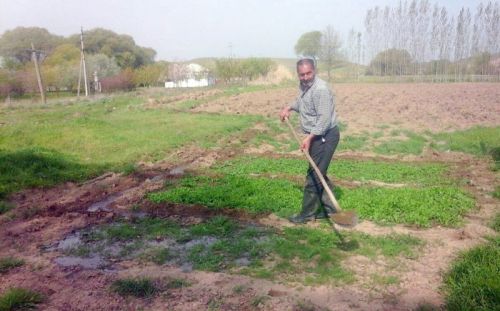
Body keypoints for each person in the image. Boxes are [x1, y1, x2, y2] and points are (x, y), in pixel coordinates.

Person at [279, 58, 340, 224]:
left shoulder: (320, 89)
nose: (305, 77)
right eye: (302, 74)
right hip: (317, 135)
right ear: (298, 74)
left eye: (308, 73)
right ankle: (332, 211)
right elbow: (302, 103)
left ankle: (306, 215)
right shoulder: (305, 86)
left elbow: (324, 120)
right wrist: (289, 108)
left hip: (325, 136)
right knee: (320, 172)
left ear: (314, 71)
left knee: (314, 175)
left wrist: (309, 138)